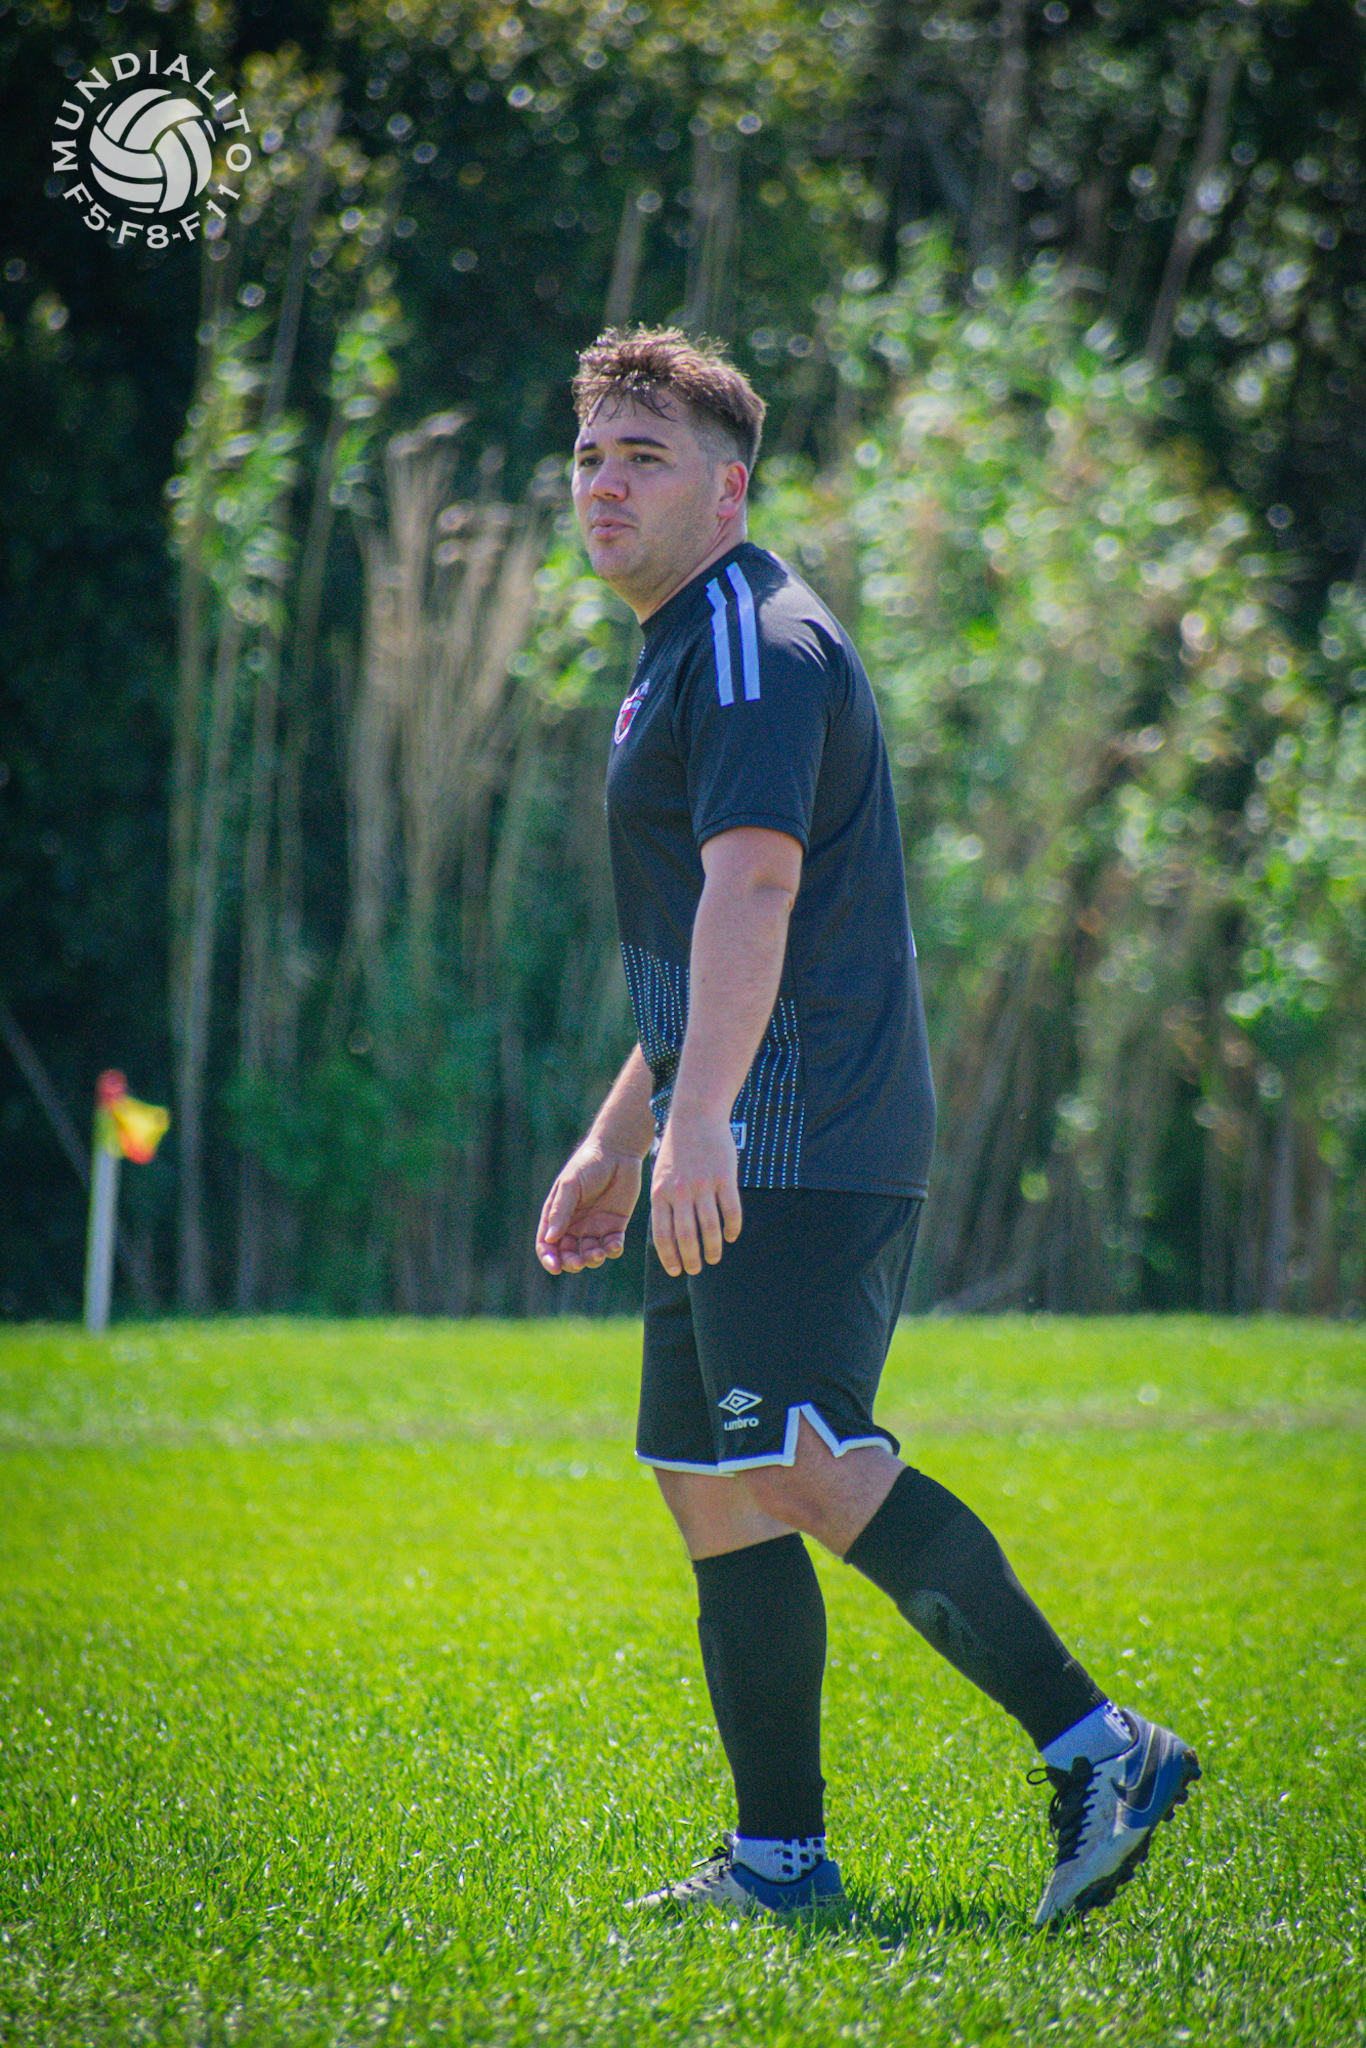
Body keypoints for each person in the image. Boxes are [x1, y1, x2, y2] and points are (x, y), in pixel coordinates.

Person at [535, 326, 1200, 1928]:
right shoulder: (683, 648)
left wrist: (701, 1125)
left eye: (644, 458)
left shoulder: (751, 644)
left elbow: (757, 891)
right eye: (589, 456)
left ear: (728, 489)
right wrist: (626, 1134)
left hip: (799, 1131)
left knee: (803, 1462)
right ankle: (780, 1865)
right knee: (710, 1482)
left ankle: (1100, 1747)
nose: (605, 485)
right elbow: (706, 937)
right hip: (731, 1127)